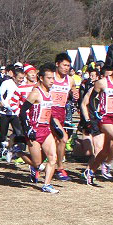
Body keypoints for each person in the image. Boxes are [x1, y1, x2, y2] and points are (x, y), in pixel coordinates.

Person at [84, 61, 113, 185]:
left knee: (105, 150)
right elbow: (91, 99)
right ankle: (107, 163)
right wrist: (95, 112)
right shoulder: (102, 83)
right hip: (105, 118)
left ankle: (91, 171)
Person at [20, 64, 60, 194]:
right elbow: (23, 111)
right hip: (34, 130)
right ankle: (17, 152)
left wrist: (55, 127)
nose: (52, 81)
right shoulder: (35, 93)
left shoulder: (50, 94)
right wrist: (27, 128)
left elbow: (49, 113)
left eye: (53, 78)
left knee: (53, 157)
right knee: (37, 163)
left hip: (46, 129)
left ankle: (47, 185)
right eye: (49, 78)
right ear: (41, 78)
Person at [50, 53, 75, 181]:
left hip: (61, 112)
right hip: (50, 112)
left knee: (54, 141)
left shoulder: (70, 80)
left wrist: (74, 94)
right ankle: (60, 168)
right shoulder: (50, 77)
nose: (66, 68)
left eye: (68, 66)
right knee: (63, 138)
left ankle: (42, 166)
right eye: (64, 65)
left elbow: (73, 91)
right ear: (57, 64)